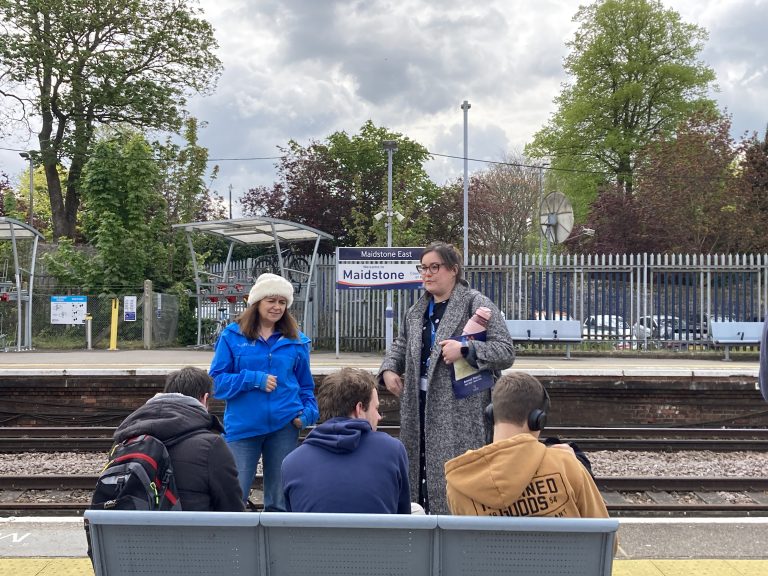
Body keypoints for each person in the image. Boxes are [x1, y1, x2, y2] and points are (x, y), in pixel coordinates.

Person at [378, 241, 515, 514]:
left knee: (457, 477)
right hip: (419, 405)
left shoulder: (476, 303)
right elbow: (402, 344)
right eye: (423, 268)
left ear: (453, 270)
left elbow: (506, 351)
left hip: (460, 410)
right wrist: (389, 369)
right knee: (419, 470)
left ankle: (454, 529)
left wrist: (466, 348)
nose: (427, 273)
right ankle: (422, 524)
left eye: (434, 267)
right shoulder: (417, 310)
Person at [209, 273, 319, 511]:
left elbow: (306, 387)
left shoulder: (297, 341)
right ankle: (235, 546)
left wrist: (308, 414)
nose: (277, 307)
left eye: (282, 302)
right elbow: (217, 383)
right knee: (233, 496)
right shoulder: (232, 336)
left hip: (284, 427)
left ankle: (276, 546)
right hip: (243, 427)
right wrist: (253, 379)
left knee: (280, 500)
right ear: (257, 302)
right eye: (271, 300)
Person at [444, 371, 609, 519]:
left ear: (491, 414)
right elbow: (607, 541)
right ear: (538, 420)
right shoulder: (567, 465)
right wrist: (581, 469)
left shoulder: (460, 481)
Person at [112, 366, 245, 512]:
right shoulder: (212, 446)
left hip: (130, 534)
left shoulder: (127, 439)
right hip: (195, 534)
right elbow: (232, 509)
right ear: (205, 399)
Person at [281, 367, 411, 514]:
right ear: (359, 408)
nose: (380, 417)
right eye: (376, 409)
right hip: (376, 537)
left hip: (315, 537)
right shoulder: (393, 450)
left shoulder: (291, 463)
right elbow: (403, 520)